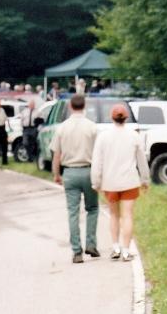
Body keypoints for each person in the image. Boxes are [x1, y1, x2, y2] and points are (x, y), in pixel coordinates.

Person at [91, 104, 149, 262]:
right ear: (126, 117)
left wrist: (96, 182)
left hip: (110, 183)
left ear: (112, 117)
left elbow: (97, 162)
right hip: (129, 181)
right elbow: (142, 161)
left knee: (114, 215)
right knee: (128, 215)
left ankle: (115, 247)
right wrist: (145, 180)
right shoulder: (134, 136)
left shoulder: (103, 136)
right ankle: (125, 250)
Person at [49, 95, 99, 263]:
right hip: (89, 171)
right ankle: (91, 243)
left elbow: (56, 154)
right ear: (84, 106)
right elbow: (99, 154)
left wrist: (56, 174)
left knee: (73, 212)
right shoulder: (92, 128)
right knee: (92, 208)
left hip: (70, 172)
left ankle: (77, 251)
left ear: (70, 106)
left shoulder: (62, 128)